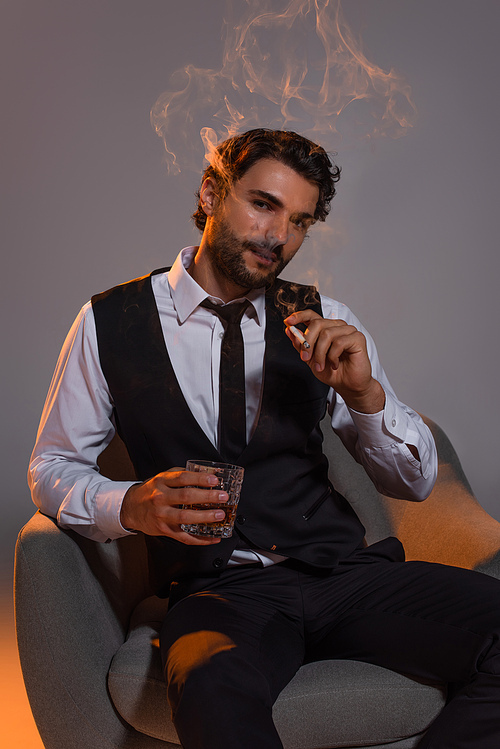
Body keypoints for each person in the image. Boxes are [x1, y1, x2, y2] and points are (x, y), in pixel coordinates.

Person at [29, 129, 500, 748]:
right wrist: (129, 505)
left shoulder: (322, 318)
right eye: (263, 204)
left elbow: (414, 483)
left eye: (300, 221)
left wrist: (366, 400)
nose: (279, 237)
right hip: (222, 593)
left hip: (343, 573)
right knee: (213, 695)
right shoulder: (109, 323)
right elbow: (52, 465)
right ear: (211, 193)